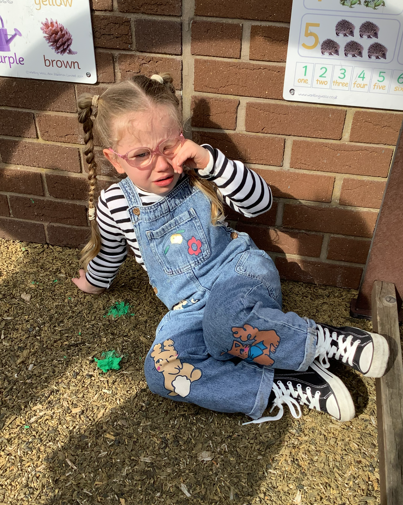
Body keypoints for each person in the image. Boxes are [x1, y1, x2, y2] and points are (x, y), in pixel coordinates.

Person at [72, 73, 389, 425]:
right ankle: (284, 381)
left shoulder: (198, 172)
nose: (161, 164)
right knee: (162, 372)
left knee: (224, 326)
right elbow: (109, 250)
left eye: (168, 147)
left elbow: (261, 203)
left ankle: (327, 341)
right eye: (141, 155)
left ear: (182, 138)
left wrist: (210, 163)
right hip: (186, 308)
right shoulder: (114, 203)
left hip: (240, 276)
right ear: (115, 160)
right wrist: (95, 281)